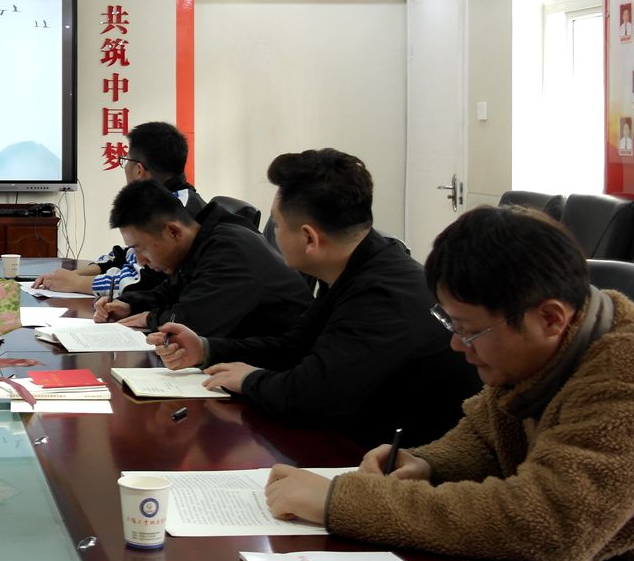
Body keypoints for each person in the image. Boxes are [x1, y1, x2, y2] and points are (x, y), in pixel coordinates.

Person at [265, 206, 634, 561]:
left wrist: (343, 502)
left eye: (469, 330)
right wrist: (427, 463)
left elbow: (549, 525)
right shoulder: (550, 344)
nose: (457, 344)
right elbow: (487, 435)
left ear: (550, 318)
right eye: (451, 324)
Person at [147, 148, 480, 447]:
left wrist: (249, 380)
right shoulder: (362, 262)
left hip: (404, 463)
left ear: (309, 238)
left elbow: (308, 397)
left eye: (278, 225)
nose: (273, 235)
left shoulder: (381, 297)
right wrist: (206, 348)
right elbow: (294, 345)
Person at [101, 180, 310, 336]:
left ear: (173, 231)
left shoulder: (228, 251)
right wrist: (129, 304)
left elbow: (194, 322)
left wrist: (149, 318)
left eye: (141, 249)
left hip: (282, 366)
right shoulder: (201, 240)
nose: (140, 260)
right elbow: (172, 291)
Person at [33, 122, 204, 301]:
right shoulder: (156, 201)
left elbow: (149, 283)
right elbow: (126, 255)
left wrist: (76, 283)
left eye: (125, 160)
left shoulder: (178, 211)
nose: (125, 167)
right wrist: (73, 275)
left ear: (139, 170)